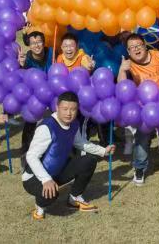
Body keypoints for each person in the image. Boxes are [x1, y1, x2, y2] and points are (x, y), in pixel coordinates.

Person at [23, 91, 111, 220]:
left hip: (57, 172)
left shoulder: (74, 124)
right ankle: (39, 206)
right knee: (52, 195)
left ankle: (74, 198)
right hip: (34, 177)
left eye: (73, 109)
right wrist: (46, 179)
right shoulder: (46, 127)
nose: (69, 113)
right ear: (57, 108)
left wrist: (103, 151)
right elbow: (31, 156)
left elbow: (80, 143)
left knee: (89, 160)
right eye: (65, 109)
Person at [118, 33, 159, 185]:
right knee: (142, 137)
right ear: (128, 51)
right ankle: (139, 168)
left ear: (145, 45)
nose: (136, 49)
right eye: (132, 48)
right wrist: (121, 70)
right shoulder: (128, 65)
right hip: (144, 108)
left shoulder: (158, 54)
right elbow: (122, 86)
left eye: (138, 45)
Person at [18, 28, 54, 154]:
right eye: (33, 43)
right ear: (29, 45)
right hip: (35, 94)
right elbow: (22, 78)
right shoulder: (27, 58)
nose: (36, 45)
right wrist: (21, 65)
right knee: (30, 120)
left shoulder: (51, 52)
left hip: (52, 92)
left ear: (43, 43)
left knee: (56, 120)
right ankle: (25, 149)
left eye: (39, 42)